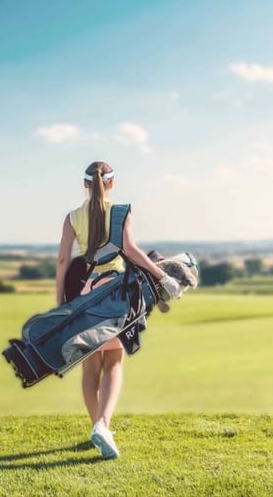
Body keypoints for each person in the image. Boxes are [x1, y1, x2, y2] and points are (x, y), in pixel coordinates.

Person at [55, 161, 182, 460]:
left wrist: (61, 301)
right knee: (113, 361)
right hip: (115, 294)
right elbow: (132, 252)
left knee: (90, 366)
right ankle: (103, 425)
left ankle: (96, 427)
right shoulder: (121, 211)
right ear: (111, 183)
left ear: (85, 184)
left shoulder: (72, 217)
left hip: (85, 295)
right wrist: (164, 277)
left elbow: (63, 261)